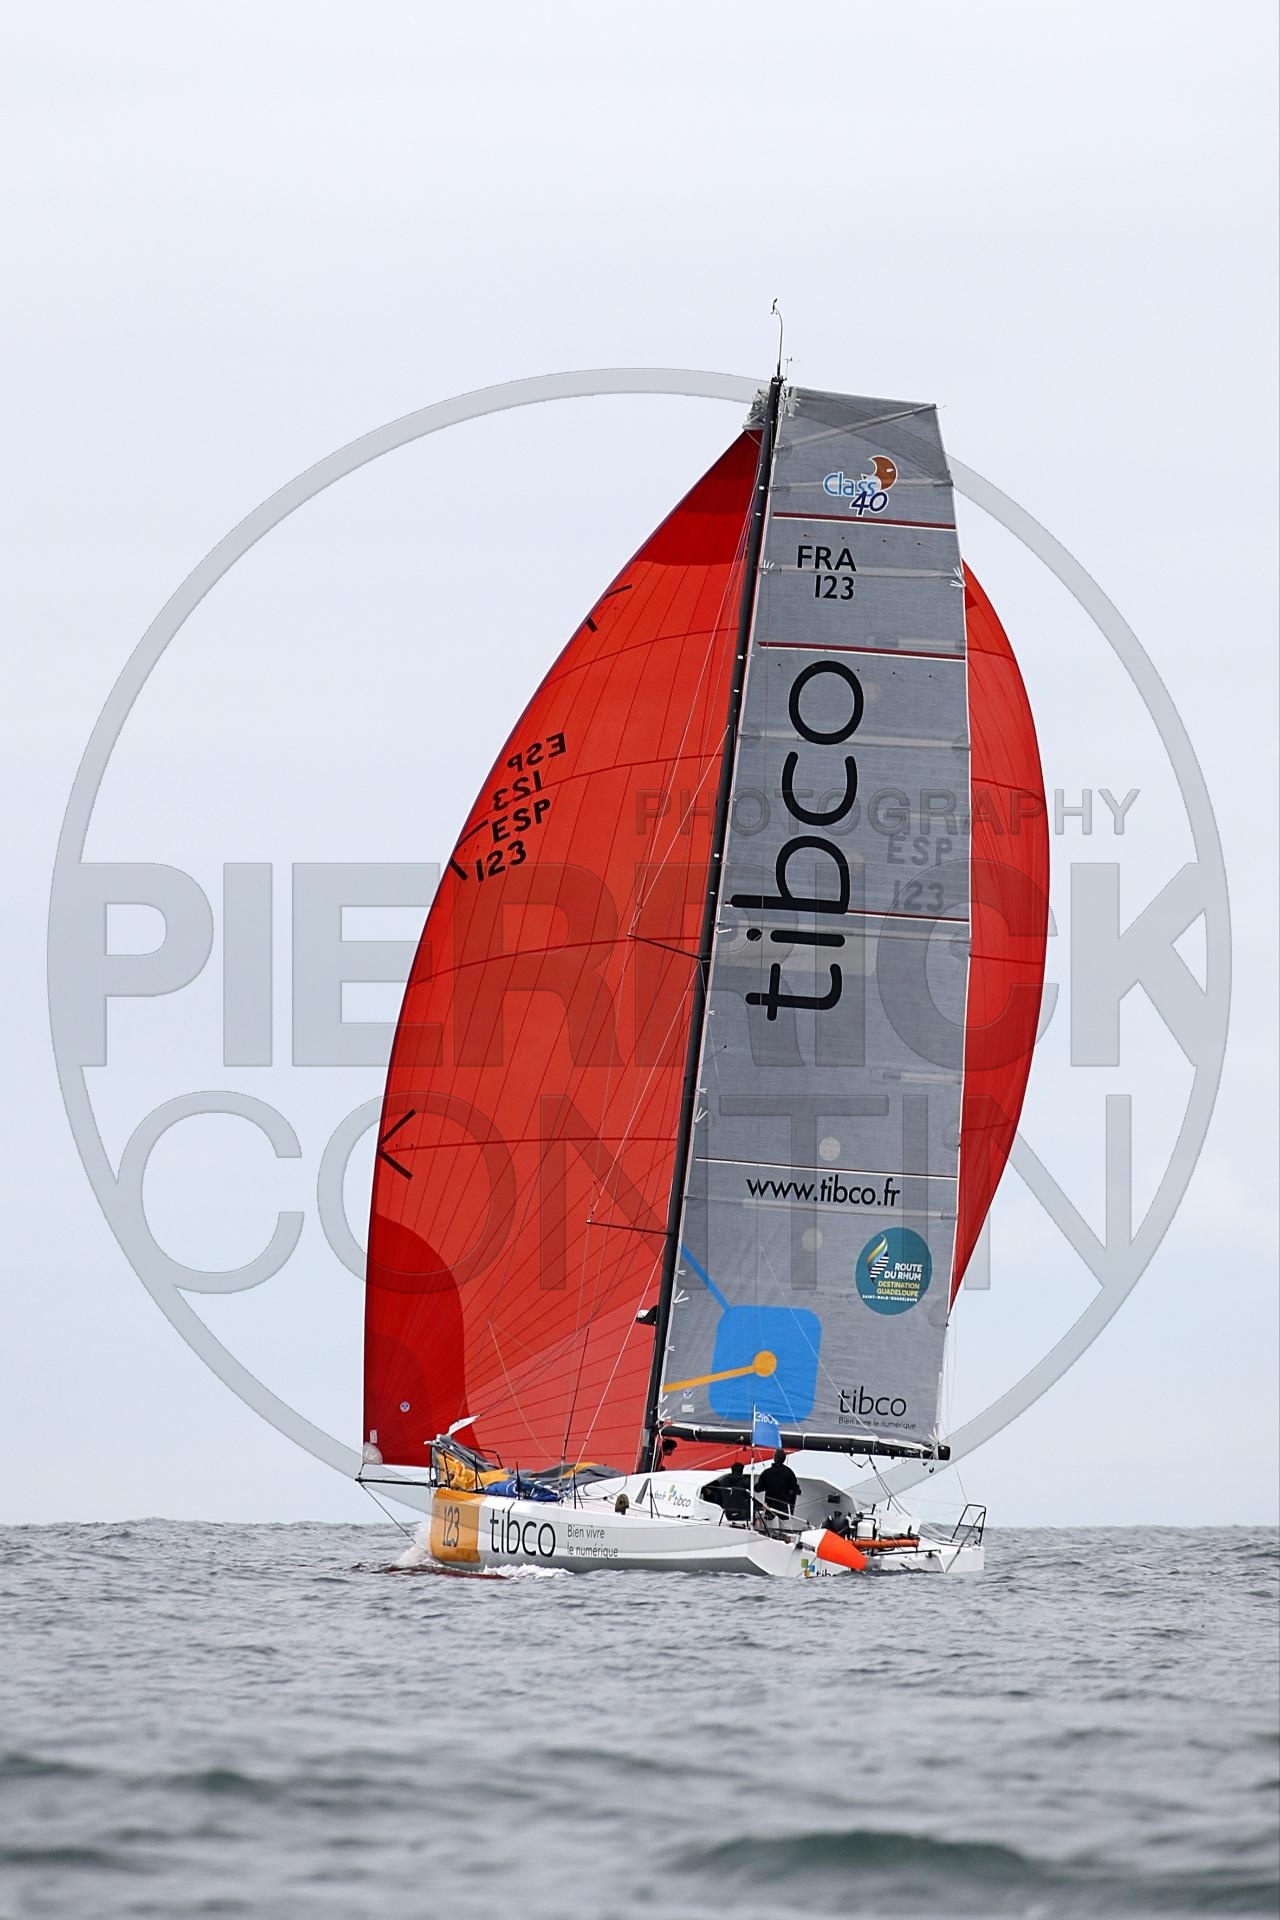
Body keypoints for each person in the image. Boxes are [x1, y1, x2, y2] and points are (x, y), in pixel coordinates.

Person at [755, 1447, 801, 1518]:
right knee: (785, 1524)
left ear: (774, 1457)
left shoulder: (767, 1473)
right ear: (784, 1459)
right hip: (783, 1508)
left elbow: (758, 1488)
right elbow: (797, 1490)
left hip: (770, 1507)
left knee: (769, 1523)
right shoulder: (789, 1473)